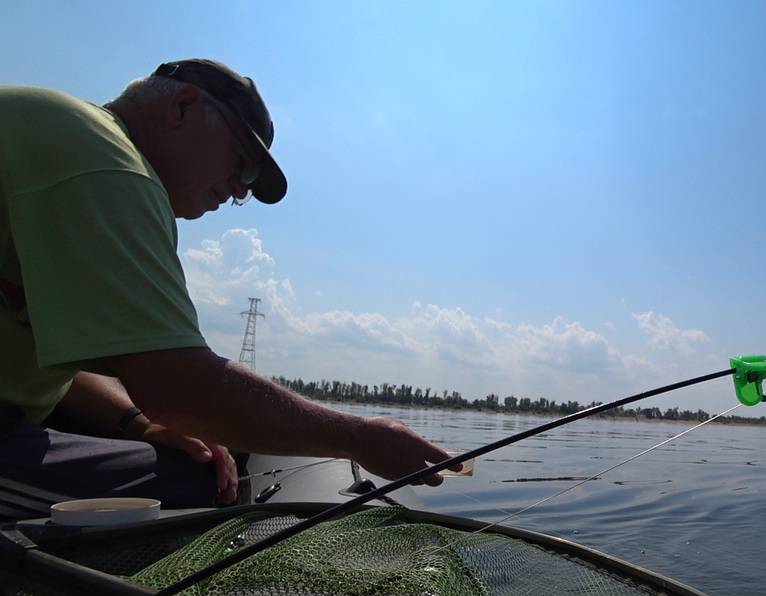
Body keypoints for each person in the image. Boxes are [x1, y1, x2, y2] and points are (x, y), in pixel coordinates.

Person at [0, 59, 454, 515]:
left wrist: (136, 423)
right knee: (201, 482)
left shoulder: (65, 141)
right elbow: (178, 385)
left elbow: (58, 369)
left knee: (210, 453)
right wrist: (360, 438)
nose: (240, 190)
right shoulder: (109, 165)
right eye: (244, 162)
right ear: (183, 106)